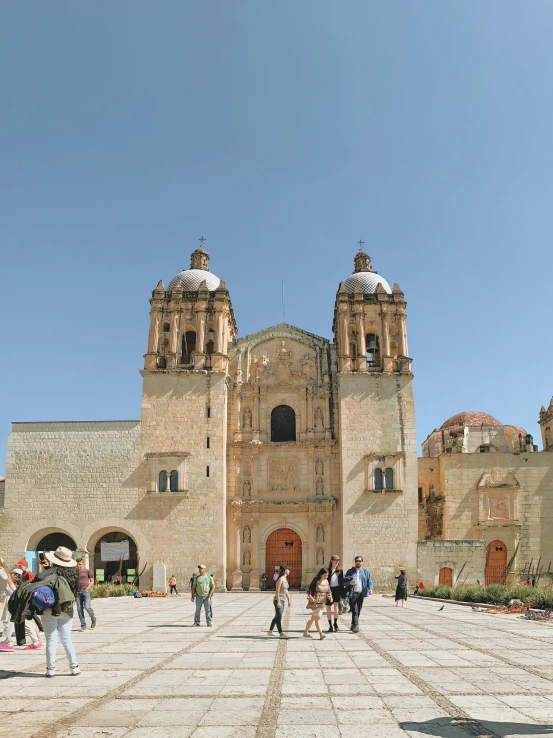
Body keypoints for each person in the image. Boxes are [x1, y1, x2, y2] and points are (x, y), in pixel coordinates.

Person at [38, 546, 80, 677]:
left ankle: (51, 669)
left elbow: (37, 581)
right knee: (67, 639)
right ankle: (74, 667)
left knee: (51, 640)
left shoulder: (49, 573)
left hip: (49, 609)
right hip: (66, 610)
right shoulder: (74, 575)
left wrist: (44, 568)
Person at [344, 556, 373, 633]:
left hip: (361, 593)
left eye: (359, 561)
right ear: (355, 562)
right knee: (354, 610)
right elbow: (344, 581)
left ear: (362, 562)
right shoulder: (350, 571)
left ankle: (353, 624)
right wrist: (350, 582)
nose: (358, 562)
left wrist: (370, 589)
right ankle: (356, 626)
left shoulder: (365, 572)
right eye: (356, 561)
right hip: (352, 593)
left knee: (358, 610)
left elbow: (369, 581)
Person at [304, 568, 332, 640]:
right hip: (315, 602)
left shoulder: (326, 581)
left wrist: (330, 597)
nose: (326, 577)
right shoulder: (316, 580)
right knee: (318, 617)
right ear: (321, 574)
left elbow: (328, 591)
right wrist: (310, 597)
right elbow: (310, 590)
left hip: (322, 602)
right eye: (325, 575)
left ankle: (306, 632)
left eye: (327, 575)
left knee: (314, 618)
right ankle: (321, 634)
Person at [0, 565, 23, 651]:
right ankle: (8, 641)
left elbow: (9, 583)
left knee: (8, 620)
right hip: (8, 597)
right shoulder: (2, 572)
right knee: (9, 620)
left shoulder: (1, 572)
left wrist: (17, 594)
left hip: (9, 598)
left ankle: (10, 642)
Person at [268, 565, 291, 638]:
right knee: (279, 617)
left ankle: (270, 631)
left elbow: (285, 590)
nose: (289, 571)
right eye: (288, 570)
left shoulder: (285, 579)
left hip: (283, 600)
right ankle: (281, 633)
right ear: (285, 571)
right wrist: (278, 601)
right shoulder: (280, 579)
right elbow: (277, 591)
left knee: (277, 616)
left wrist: (289, 599)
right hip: (278, 600)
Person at [76, 559, 96, 631]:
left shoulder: (88, 571)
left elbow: (92, 581)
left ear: (83, 564)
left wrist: (87, 588)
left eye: (80, 564)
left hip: (85, 591)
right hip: (78, 593)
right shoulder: (75, 572)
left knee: (87, 607)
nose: (79, 566)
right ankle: (83, 625)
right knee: (79, 609)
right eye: (77, 564)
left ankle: (93, 619)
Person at [326, 555, 344, 632]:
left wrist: (342, 592)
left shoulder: (340, 571)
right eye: (336, 560)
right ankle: (330, 625)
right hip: (329, 590)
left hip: (337, 590)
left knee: (336, 607)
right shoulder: (327, 570)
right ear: (332, 561)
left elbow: (342, 582)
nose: (337, 562)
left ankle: (335, 623)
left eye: (338, 560)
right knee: (328, 608)